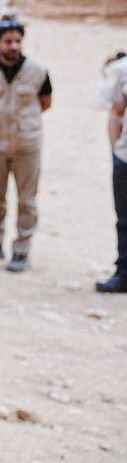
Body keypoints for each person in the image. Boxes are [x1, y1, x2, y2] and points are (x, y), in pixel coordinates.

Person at [0, 20, 52, 273]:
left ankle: (22, 250)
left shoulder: (38, 71)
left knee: (27, 200)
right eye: (8, 41)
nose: (13, 46)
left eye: (17, 41)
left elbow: (45, 102)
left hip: (27, 144)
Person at [100, 57, 127, 292]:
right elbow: (117, 112)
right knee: (124, 219)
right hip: (125, 157)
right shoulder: (123, 69)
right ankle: (124, 272)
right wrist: (115, 152)